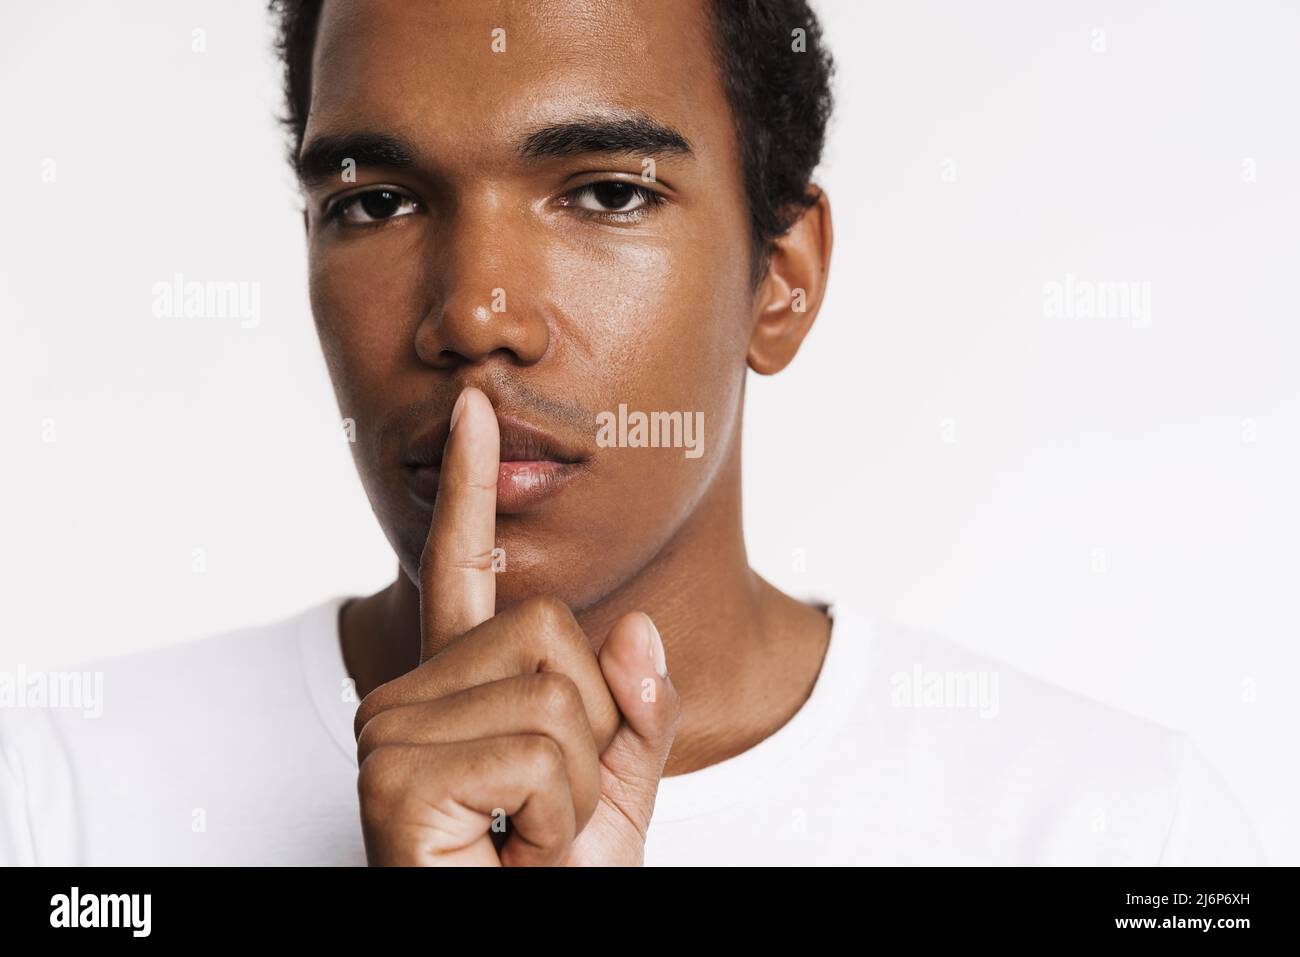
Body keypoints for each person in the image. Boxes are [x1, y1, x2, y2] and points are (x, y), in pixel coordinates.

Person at [0, 0, 1263, 866]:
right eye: (375, 201)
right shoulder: (60, 797)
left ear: (782, 278)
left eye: (606, 192)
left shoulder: (1115, 831)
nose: (475, 316)